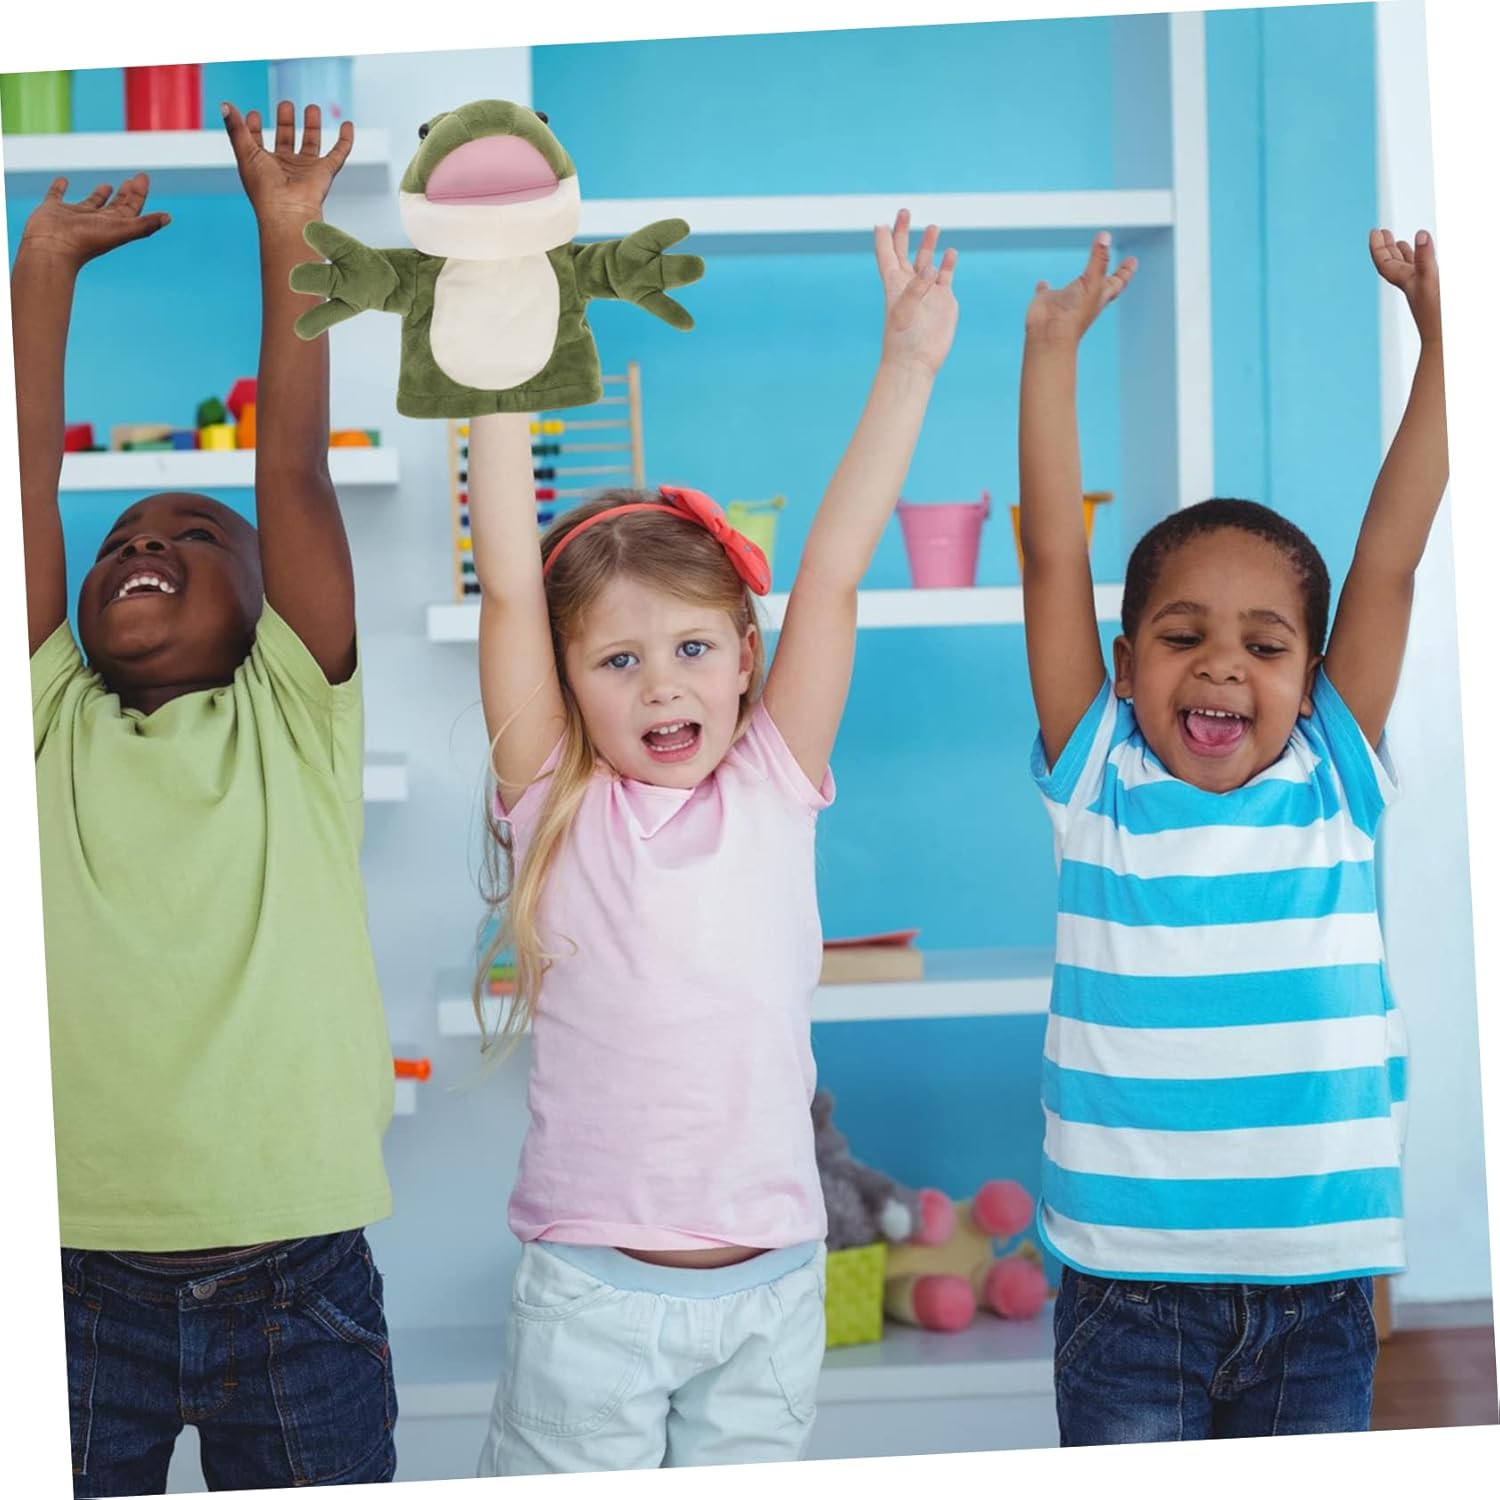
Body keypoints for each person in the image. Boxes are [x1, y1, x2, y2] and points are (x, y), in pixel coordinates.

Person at [467, 209, 958, 1473]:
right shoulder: (557, 802)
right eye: (618, 662)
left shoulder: (774, 782)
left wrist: (908, 363)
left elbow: (833, 572)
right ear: (567, 685)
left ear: (746, 656)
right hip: (594, 1299)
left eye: (692, 648)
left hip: (774, 1291)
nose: (663, 685)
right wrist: (503, 345)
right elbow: (512, 582)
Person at [16, 101, 398, 1494]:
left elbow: (286, 468)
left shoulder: (294, 715)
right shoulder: (44, 716)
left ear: (262, 602)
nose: (144, 544)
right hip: (69, 1276)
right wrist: (37, 273)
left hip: (298, 1285)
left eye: (194, 534)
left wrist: (290, 232)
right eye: (121, 537)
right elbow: (22, 479)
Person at [1017, 226, 1446, 1442]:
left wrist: (1448, 345)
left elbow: (1391, 561)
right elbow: (1053, 556)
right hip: (1125, 1293)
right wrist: (1053, 351)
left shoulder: (1335, 775)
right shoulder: (1097, 777)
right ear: (1124, 665)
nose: (1219, 666)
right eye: (1181, 636)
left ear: (1310, 680)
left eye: (1264, 645)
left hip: (1318, 1289)